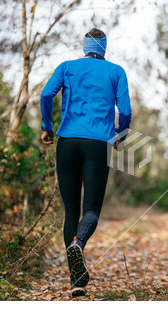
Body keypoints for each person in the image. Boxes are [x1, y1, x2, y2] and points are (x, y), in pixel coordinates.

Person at [40, 28, 132, 297]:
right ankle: (78, 243)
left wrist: (47, 125)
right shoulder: (116, 72)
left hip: (66, 141)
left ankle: (76, 281)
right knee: (90, 209)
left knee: (71, 210)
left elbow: (46, 94)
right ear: (104, 48)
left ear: (84, 46)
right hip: (97, 144)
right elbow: (124, 111)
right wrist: (119, 135)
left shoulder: (67, 66)